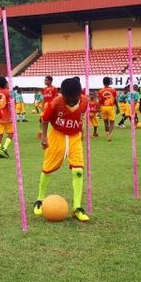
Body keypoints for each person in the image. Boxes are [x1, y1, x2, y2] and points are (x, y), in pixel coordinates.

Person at [33, 77, 90, 222]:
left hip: (74, 137)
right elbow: (45, 120)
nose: (70, 101)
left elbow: (81, 117)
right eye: (67, 98)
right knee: (47, 169)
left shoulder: (85, 101)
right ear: (62, 94)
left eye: (73, 98)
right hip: (57, 135)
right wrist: (44, 137)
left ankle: (77, 207)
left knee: (78, 170)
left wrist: (82, 132)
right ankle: (39, 199)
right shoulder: (56, 102)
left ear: (79, 94)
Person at [0, 76, 14, 159]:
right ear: (6, 83)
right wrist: (12, 115)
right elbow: (9, 105)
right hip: (6, 116)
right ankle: (4, 148)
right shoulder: (8, 92)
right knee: (11, 133)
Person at [97, 77, 118, 141]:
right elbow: (115, 100)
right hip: (110, 107)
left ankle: (107, 133)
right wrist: (118, 107)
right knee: (112, 122)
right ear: (109, 82)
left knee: (105, 122)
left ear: (103, 83)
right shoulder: (113, 90)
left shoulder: (100, 91)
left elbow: (99, 101)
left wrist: (99, 110)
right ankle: (109, 134)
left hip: (103, 107)